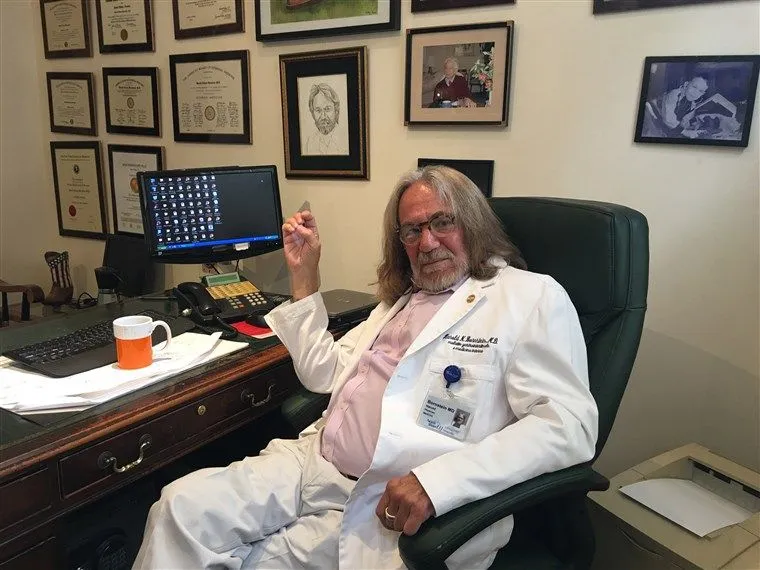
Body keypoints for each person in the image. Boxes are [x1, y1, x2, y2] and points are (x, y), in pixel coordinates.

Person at [132, 166, 599, 570]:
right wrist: (305, 277)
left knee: (248, 560)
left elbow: (567, 426)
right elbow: (323, 374)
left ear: (473, 224)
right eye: (412, 231)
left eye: (442, 222)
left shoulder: (529, 297)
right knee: (178, 508)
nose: (427, 242)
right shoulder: (403, 300)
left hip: (386, 498)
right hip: (311, 463)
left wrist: (436, 484)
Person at [643, 75, 709, 137]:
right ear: (686, 84)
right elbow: (668, 118)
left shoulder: (692, 105)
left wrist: (692, 126)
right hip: (650, 113)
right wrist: (685, 132)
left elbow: (684, 121)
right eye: (694, 87)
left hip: (662, 124)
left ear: (703, 94)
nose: (695, 92)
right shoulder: (674, 94)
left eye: (700, 91)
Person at [303, 83, 347, 155]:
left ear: (336, 110)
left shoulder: (346, 139)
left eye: (327, 109)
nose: (323, 116)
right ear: (312, 113)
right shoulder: (310, 143)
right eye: (318, 110)